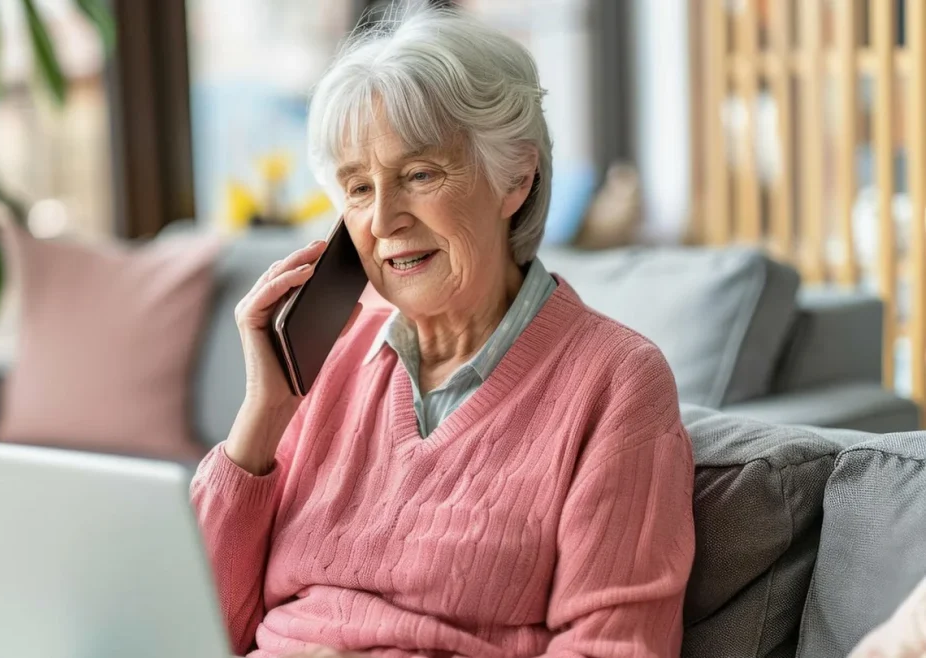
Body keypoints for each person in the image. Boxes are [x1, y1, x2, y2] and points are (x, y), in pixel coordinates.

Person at [190, 5, 695, 657]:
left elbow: (615, 648)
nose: (383, 221)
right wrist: (261, 419)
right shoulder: (325, 364)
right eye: (358, 188)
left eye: (419, 175)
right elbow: (196, 630)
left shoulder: (616, 381)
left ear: (515, 177)